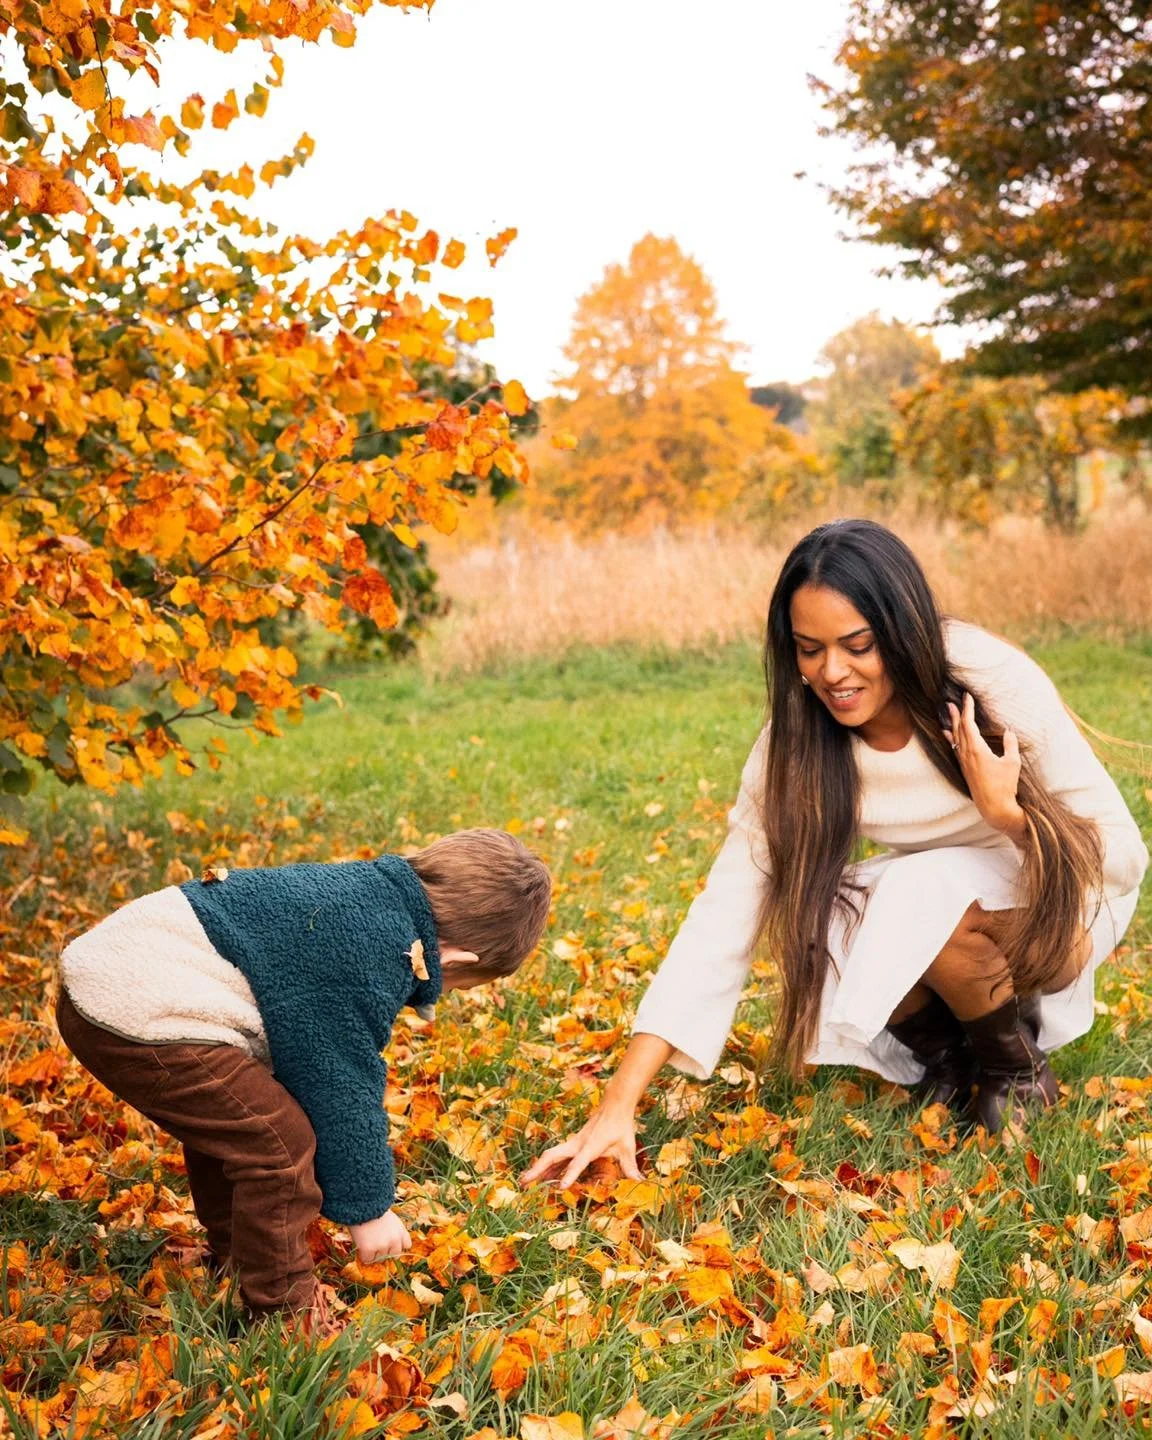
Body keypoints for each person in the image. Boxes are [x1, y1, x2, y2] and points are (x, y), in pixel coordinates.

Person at [523, 520, 1148, 1190]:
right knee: (824, 905)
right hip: (940, 902)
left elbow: (1120, 857)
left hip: (1060, 905)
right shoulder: (796, 743)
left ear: (904, 629)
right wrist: (616, 1104)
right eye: (809, 649)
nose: (832, 673)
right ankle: (952, 1059)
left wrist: (1010, 818)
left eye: (858, 645)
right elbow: (722, 917)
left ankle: (1015, 1070)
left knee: (920, 887)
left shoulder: (989, 681)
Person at [56, 828, 551, 1324]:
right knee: (278, 1143)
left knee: (243, 1114)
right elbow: (341, 1083)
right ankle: (285, 1315)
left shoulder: (365, 893)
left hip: (109, 978)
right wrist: (369, 1210)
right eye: (449, 985)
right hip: (135, 1012)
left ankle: (237, 1257)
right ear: (457, 959)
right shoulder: (375, 952)